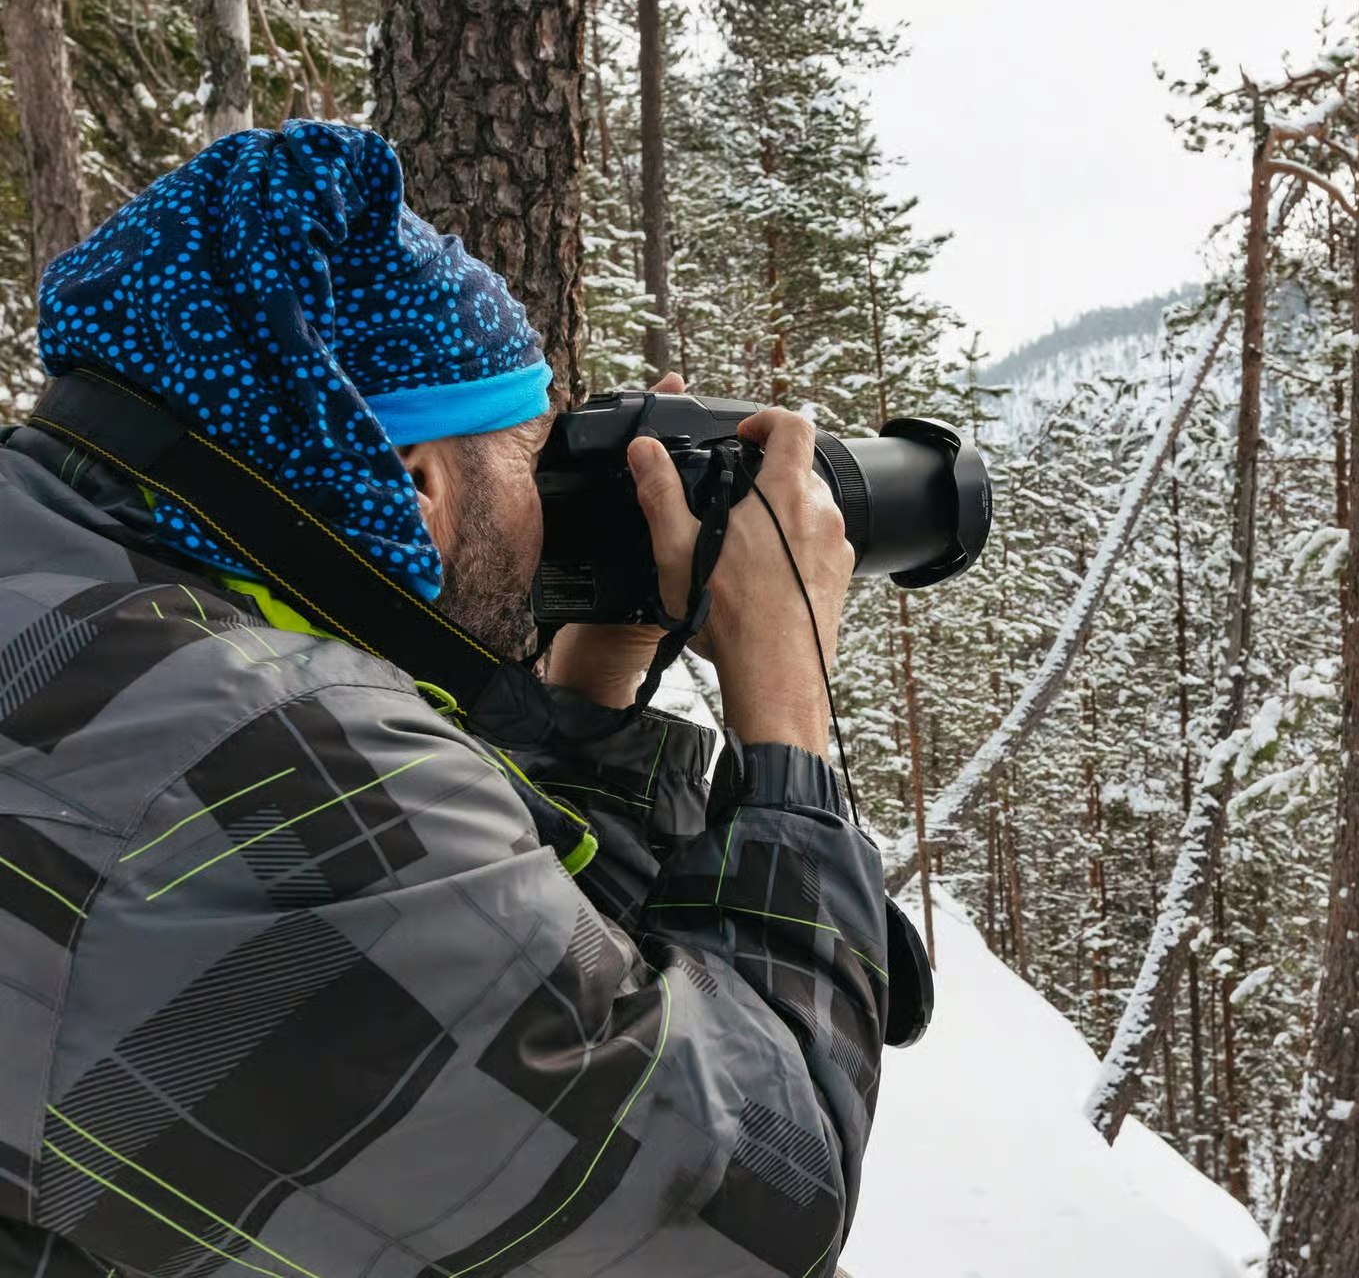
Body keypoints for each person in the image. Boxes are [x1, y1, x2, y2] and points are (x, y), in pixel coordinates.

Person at [0, 121, 884, 1278]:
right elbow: (754, 1213)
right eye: (530, 458)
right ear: (415, 482)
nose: (549, 512)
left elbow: (517, 988)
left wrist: (592, 685)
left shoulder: (75, 599)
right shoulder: (264, 759)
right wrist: (788, 708)